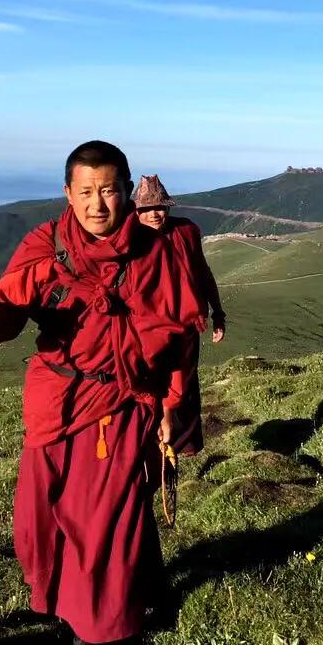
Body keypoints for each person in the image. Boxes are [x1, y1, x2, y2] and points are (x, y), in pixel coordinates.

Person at [0, 141, 188, 645]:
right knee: (40, 518)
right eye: (86, 192)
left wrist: (173, 404)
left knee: (100, 519)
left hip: (121, 401)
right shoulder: (47, 244)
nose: (97, 205)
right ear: (68, 193)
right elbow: (9, 313)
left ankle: (101, 639)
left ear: (127, 192)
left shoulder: (156, 253)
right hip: (55, 398)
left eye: (108, 190)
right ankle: (120, 594)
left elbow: (179, 334)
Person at [132, 174, 226, 456]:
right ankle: (147, 443)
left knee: (184, 384)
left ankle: (184, 446)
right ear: (136, 210)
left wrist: (217, 311)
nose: (154, 214)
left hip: (185, 324)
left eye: (159, 207)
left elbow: (202, 271)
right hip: (144, 328)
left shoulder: (186, 231)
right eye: (146, 209)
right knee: (146, 386)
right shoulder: (129, 239)